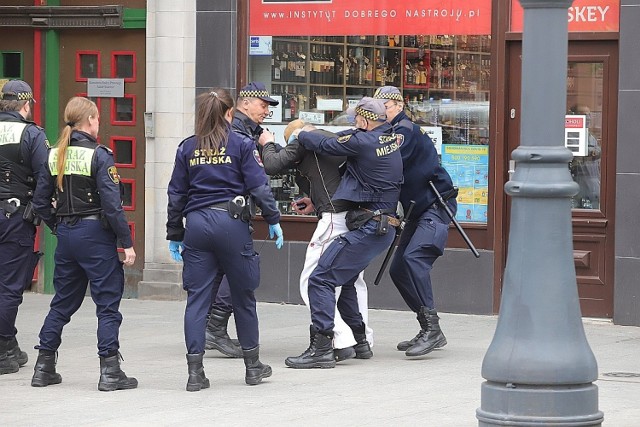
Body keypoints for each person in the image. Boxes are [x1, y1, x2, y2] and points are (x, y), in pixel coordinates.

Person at [166, 88, 283, 390]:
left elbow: (176, 193)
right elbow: (258, 187)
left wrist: (174, 234)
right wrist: (273, 219)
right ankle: (253, 368)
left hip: (197, 225)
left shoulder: (187, 147)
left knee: (197, 301)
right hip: (231, 223)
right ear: (230, 113)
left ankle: (195, 373)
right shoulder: (242, 144)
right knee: (243, 297)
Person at [284, 97, 403, 369]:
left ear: (364, 120)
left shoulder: (363, 141)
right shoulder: (389, 139)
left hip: (371, 226)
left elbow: (326, 144)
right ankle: (360, 341)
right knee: (347, 280)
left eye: (355, 119)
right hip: (380, 225)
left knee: (319, 279)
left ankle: (323, 346)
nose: (353, 123)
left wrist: (301, 133)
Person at [30, 96, 137, 390]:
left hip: (66, 236)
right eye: (98, 119)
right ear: (90, 120)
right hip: (95, 237)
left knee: (62, 302)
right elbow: (113, 207)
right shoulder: (100, 155)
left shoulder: (54, 154)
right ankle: (110, 371)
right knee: (107, 303)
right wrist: (126, 243)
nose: (99, 123)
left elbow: (40, 203)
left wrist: (59, 227)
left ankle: (43, 367)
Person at [257, 119, 374, 362]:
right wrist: (315, 200)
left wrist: (268, 144)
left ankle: (338, 340)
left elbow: (272, 165)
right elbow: (332, 181)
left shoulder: (304, 141)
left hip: (334, 221)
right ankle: (362, 340)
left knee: (313, 281)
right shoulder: (333, 143)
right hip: (357, 219)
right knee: (350, 283)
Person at [374, 86, 457, 357]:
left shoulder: (404, 132)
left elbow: (385, 162)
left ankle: (433, 329)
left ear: (397, 105)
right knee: (398, 269)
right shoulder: (389, 132)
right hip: (416, 210)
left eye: (383, 106)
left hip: (435, 205)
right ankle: (426, 327)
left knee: (414, 259)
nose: (379, 112)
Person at [202, 81, 280, 358]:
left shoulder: (246, 131)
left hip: (212, 215)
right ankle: (216, 327)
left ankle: (208, 328)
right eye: (263, 105)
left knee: (219, 271)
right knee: (238, 271)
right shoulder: (240, 133)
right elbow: (257, 178)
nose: (266, 111)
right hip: (231, 214)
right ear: (244, 103)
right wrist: (273, 217)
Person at [0, 80, 49, 375]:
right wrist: (40, 209)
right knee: (9, 286)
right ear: (25, 105)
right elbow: (47, 174)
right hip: (14, 217)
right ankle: (4, 348)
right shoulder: (31, 133)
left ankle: (9, 344)